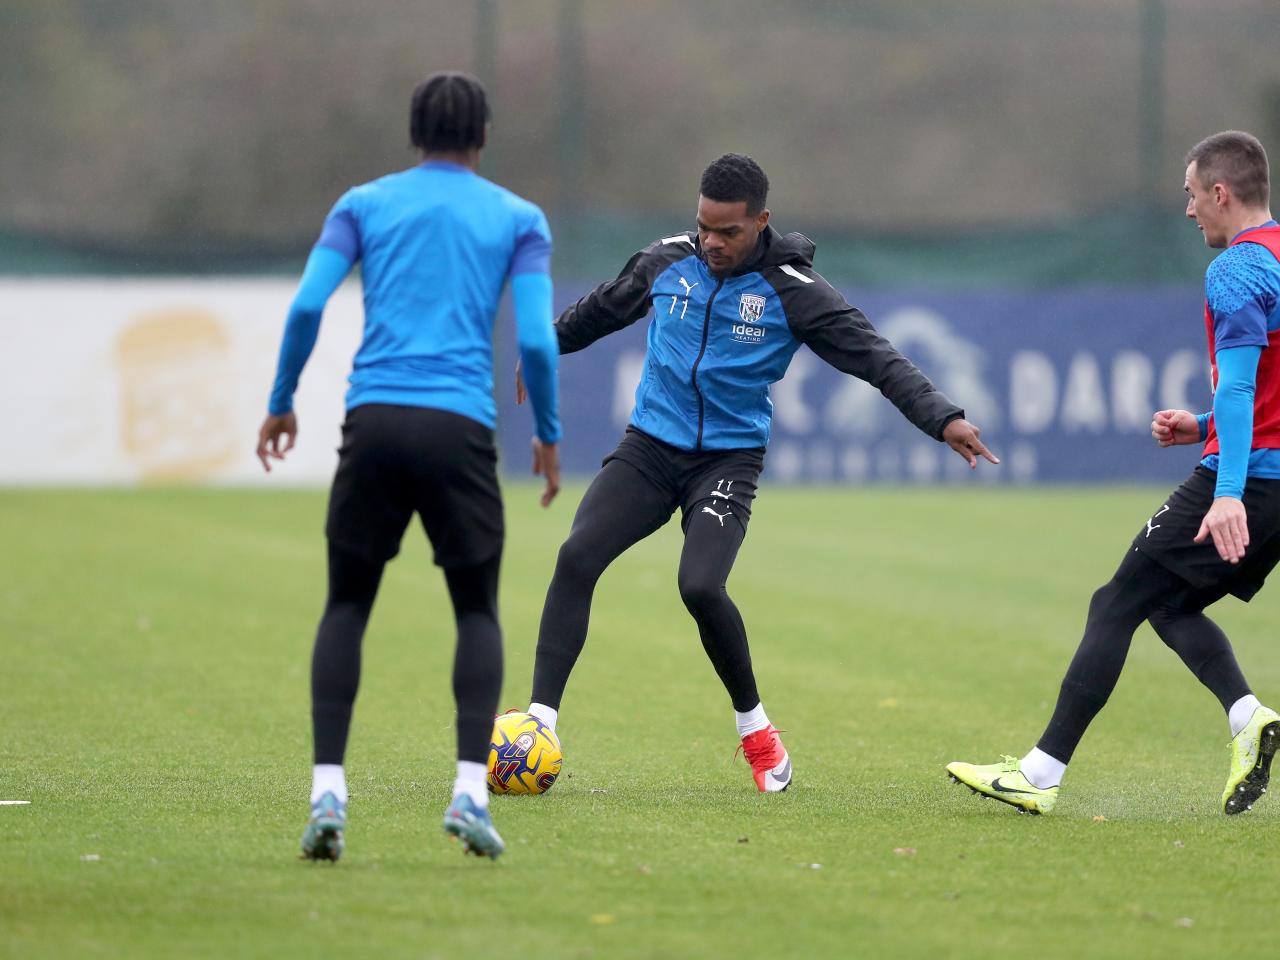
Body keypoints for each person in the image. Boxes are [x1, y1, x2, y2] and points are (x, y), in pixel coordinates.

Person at [515, 153, 996, 792]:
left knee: (701, 588)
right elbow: (604, 307)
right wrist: (546, 346)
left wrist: (944, 418)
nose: (711, 242)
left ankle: (756, 731)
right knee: (577, 554)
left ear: (761, 222)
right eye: (704, 227)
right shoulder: (667, 261)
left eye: (728, 232)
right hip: (649, 450)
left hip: (726, 461)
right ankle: (539, 724)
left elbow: (876, 358)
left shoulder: (795, 290)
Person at [257, 71, 562, 860]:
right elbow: (534, 339)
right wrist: (550, 432)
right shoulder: (519, 219)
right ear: (484, 137)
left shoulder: (362, 204)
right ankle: (468, 794)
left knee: (347, 606)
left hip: (376, 419)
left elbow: (305, 306)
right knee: (475, 612)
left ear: (413, 133)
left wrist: (282, 398)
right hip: (459, 426)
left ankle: (328, 790)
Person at [948, 130, 1280, 816]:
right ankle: (1248, 717)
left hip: (1250, 481)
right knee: (1168, 603)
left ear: (1221, 193)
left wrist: (1225, 491)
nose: (1188, 211)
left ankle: (1039, 774)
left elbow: (1245, 389)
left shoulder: (1238, 270)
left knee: (1115, 602)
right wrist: (1202, 424)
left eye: (1192, 196)